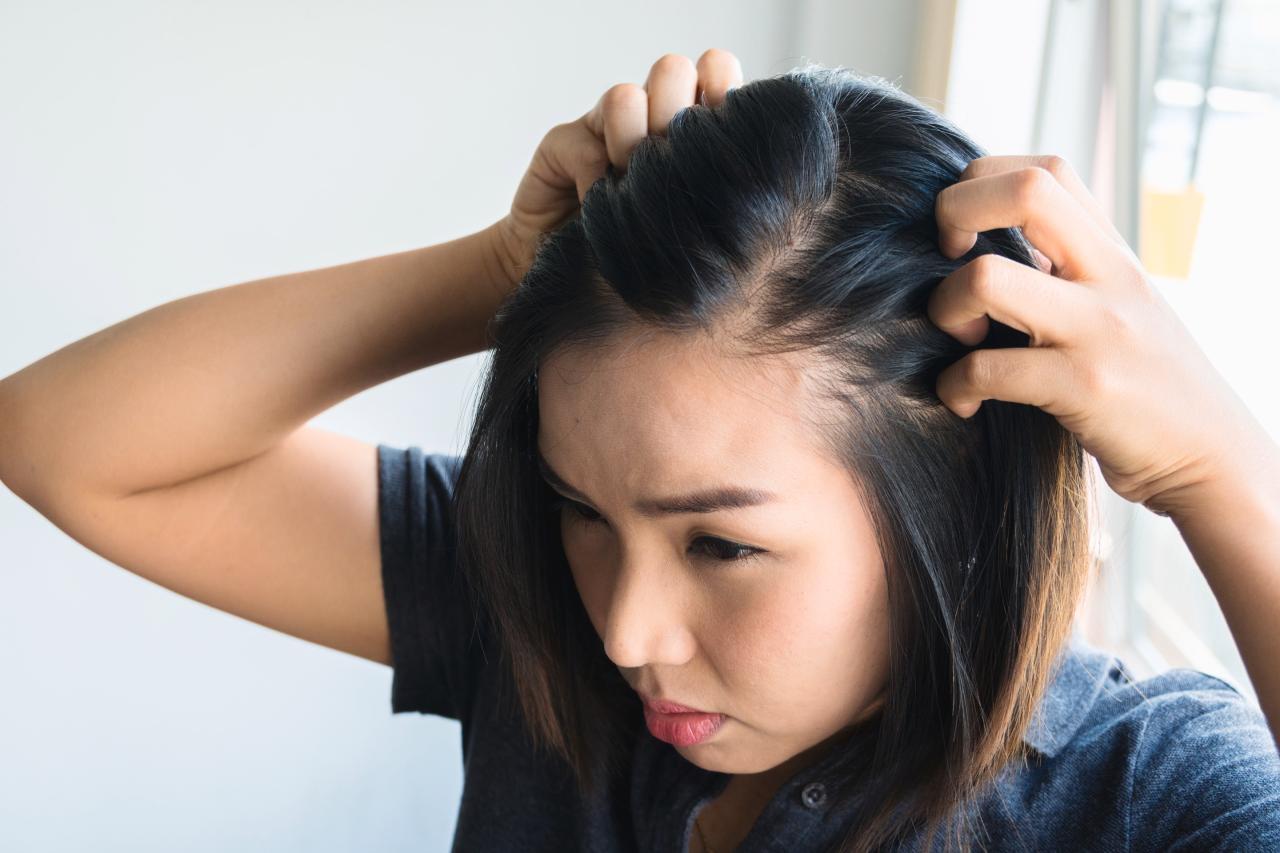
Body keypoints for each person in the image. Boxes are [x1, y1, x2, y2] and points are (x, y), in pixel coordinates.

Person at [2, 48, 1278, 852]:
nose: (624, 628)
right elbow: (67, 443)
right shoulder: (542, 615)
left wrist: (1223, 475)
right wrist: (507, 274)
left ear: (948, 513)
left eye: (721, 541)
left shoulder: (1137, 790)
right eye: (578, 506)